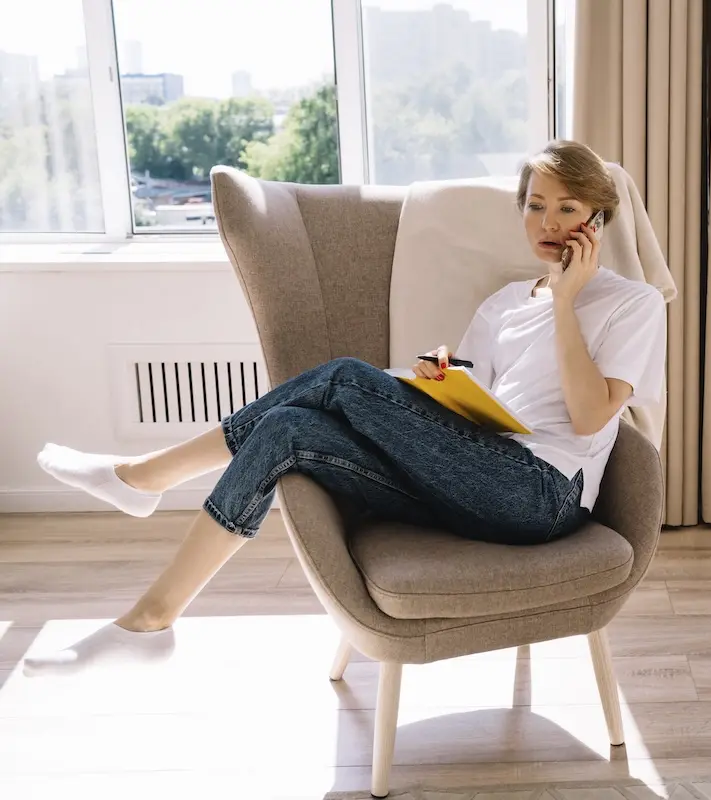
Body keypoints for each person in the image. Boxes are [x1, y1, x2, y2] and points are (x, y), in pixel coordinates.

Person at [25, 139, 667, 676]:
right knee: (285, 429)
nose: (548, 223)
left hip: (543, 493)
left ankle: (146, 476)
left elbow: (589, 418)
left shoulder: (629, 304)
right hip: (478, 468)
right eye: (534, 206)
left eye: (568, 208)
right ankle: (152, 618)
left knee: (340, 377)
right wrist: (432, 382)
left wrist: (565, 302)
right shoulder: (503, 302)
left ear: (600, 218)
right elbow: (477, 398)